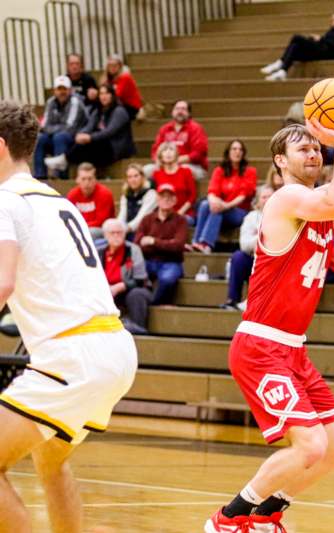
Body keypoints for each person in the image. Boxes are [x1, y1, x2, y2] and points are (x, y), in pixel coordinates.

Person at [204, 84, 334, 531]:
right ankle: (229, 519)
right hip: (260, 346)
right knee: (309, 446)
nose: (312, 150)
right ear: (280, 163)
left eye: (315, 145)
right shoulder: (287, 200)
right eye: (301, 146)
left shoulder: (319, 201)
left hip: (293, 350)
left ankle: (269, 510)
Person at [0, 100, 137, 533]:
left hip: (72, 354)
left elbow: (3, 282)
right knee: (50, 460)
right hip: (112, 346)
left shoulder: (4, 200)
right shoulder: (57, 200)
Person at [192, 140, 258, 253]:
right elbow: (212, 191)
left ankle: (206, 244)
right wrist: (214, 201)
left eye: (240, 149)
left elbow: (243, 195)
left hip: (240, 212)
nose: (237, 152)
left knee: (217, 210)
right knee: (205, 204)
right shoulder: (220, 171)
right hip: (222, 208)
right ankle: (196, 242)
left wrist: (225, 206)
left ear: (243, 153)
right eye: (234, 149)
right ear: (228, 152)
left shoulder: (250, 171)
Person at [262, 10, 334, 81]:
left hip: (331, 54)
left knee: (296, 38)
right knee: (295, 47)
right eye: (332, 20)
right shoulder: (332, 31)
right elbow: (326, 40)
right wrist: (317, 40)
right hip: (322, 51)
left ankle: (281, 62)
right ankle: (283, 71)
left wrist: (321, 39)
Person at [221, 185, 274, 311]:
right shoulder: (251, 217)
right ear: (257, 201)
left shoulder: (283, 217)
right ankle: (233, 299)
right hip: (253, 258)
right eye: (264, 197)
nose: (267, 200)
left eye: (270, 196)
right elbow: (244, 244)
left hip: (272, 262)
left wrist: (257, 239)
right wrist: (263, 236)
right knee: (238, 257)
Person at [134, 184, 188, 306]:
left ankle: (152, 304)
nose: (166, 199)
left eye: (170, 197)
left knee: (167, 279)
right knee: (132, 275)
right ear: (157, 199)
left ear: (175, 200)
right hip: (148, 261)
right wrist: (167, 244)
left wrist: (153, 241)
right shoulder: (147, 219)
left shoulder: (181, 221)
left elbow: (178, 246)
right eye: (163, 196)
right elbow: (138, 244)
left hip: (171, 262)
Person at [97, 218, 152, 335]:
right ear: (105, 235)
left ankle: (138, 328)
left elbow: (140, 279)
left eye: (120, 232)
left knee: (137, 294)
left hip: (130, 289)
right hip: (105, 290)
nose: (116, 236)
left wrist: (119, 287)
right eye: (112, 233)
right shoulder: (99, 252)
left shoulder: (133, 250)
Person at [66, 84, 135, 169]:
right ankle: (68, 161)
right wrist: (80, 134)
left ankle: (65, 159)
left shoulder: (119, 111)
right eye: (101, 94)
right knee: (81, 143)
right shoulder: (98, 111)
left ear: (112, 95)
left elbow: (109, 132)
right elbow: (89, 127)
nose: (103, 96)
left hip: (116, 147)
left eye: (106, 93)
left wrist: (89, 137)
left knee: (92, 145)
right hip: (102, 144)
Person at [34, 76, 87, 179]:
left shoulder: (75, 102)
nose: (62, 92)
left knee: (60, 137)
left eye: (64, 89)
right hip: (55, 137)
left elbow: (70, 127)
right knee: (40, 138)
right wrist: (54, 130)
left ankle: (61, 176)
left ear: (70, 90)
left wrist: (52, 130)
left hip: (75, 138)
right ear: (54, 91)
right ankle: (40, 176)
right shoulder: (50, 102)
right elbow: (44, 125)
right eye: (59, 89)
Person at [145, 100, 209, 181]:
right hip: (166, 164)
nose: (180, 111)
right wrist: (159, 161)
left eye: (183, 109)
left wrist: (175, 161)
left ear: (189, 113)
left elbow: (198, 153)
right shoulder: (164, 129)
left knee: (183, 170)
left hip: (191, 166)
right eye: (177, 109)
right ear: (172, 112)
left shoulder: (196, 128)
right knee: (146, 170)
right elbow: (155, 150)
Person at [66, 162, 115, 240]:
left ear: (95, 179)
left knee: (89, 233)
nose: (87, 183)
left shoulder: (105, 194)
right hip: (79, 229)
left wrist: (80, 227)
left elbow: (101, 221)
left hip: (100, 230)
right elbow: (68, 217)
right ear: (77, 180)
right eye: (83, 179)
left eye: (90, 179)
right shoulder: (72, 195)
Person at [151, 141, 197, 222]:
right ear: (160, 156)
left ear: (176, 154)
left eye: (171, 150)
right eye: (165, 150)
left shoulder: (186, 172)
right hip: (163, 214)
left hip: (184, 213)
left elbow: (192, 196)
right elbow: (155, 198)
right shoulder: (156, 174)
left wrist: (180, 212)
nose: (168, 152)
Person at [117, 163, 157, 239]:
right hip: (128, 231)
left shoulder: (151, 194)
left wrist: (124, 230)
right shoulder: (125, 196)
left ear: (142, 177)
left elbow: (141, 218)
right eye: (130, 177)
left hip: (146, 232)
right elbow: (122, 216)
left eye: (136, 176)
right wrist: (117, 228)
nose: (133, 179)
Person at [99, 54, 142, 121]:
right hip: (118, 105)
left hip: (131, 107)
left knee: (111, 110)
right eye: (110, 65)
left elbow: (116, 95)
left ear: (120, 66)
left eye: (115, 65)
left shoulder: (125, 77)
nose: (113, 67)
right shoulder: (107, 79)